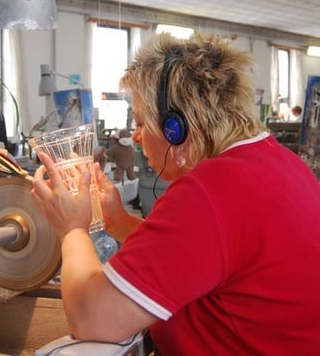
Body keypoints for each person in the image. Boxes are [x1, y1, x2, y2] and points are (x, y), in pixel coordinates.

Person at [31, 32, 320, 355]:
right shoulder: (279, 162)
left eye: (141, 122)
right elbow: (199, 256)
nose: (136, 136)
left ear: (176, 128)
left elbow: (93, 317)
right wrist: (118, 220)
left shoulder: (210, 191)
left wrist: (72, 229)